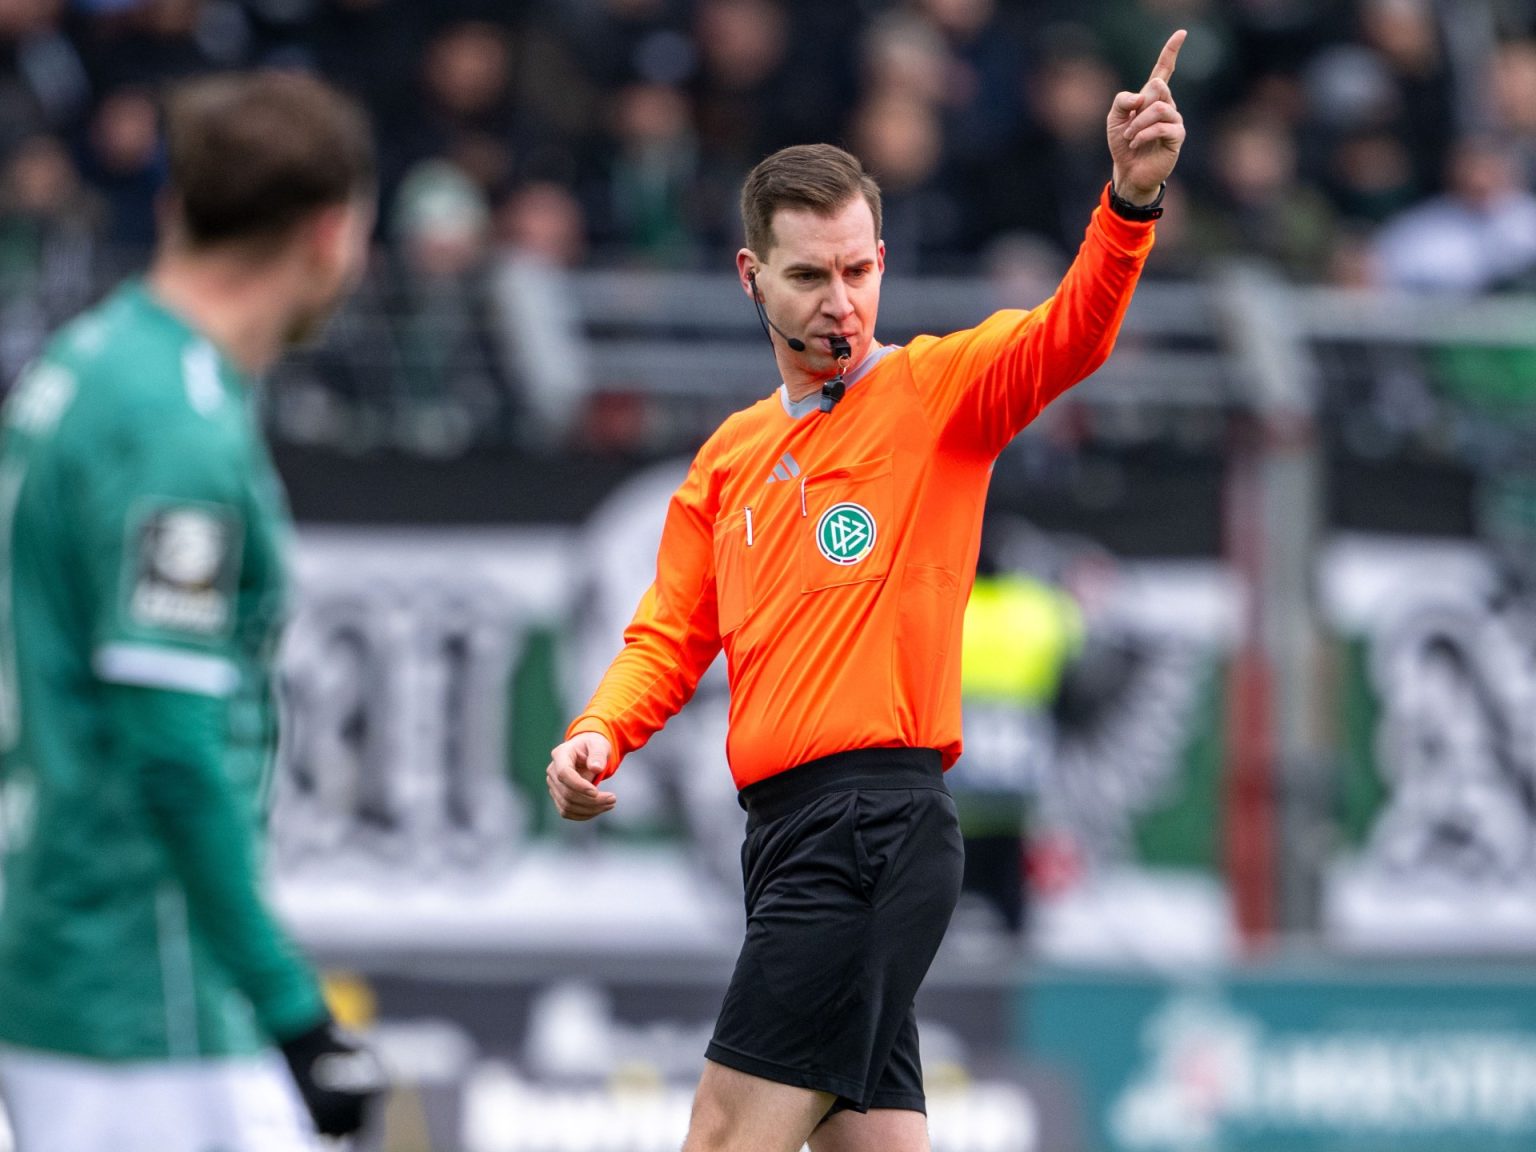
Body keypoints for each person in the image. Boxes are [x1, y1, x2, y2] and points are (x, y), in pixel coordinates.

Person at [548, 29, 1188, 1152]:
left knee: (723, 1137)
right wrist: (599, 731)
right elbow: (669, 634)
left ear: (882, 261)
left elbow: (1069, 337)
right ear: (752, 278)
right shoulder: (730, 458)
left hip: (870, 827)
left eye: (857, 271)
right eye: (809, 276)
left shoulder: (935, 391)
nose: (839, 301)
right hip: (786, 836)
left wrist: (1129, 202)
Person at [0, 71, 385, 1150]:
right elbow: (169, 748)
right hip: (143, 981)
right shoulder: (173, 425)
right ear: (329, 233)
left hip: (69, 937)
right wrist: (295, 1012)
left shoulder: (94, 359)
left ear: (179, 205)